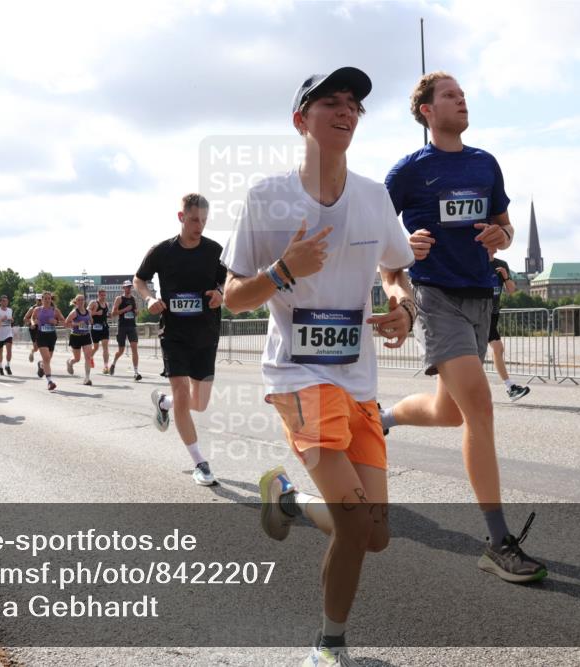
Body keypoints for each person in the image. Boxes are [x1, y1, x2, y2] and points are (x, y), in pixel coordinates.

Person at [222, 67, 416, 665]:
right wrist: (283, 272)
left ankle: (284, 502)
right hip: (299, 378)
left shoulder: (374, 197)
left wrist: (401, 304)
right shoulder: (266, 198)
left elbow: (395, 267)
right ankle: (328, 646)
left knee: (376, 535)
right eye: (330, 101)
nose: (346, 110)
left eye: (354, 103)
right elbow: (230, 297)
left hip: (358, 379)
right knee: (356, 526)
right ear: (300, 119)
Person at [380, 71, 546, 583]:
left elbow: (507, 229)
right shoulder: (408, 172)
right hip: (436, 298)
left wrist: (502, 233)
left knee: (447, 412)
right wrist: (401, 263)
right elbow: (382, 255)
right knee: (480, 406)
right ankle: (497, 542)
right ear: (427, 110)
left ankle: (381, 418)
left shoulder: (485, 162)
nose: (462, 100)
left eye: (463, 94)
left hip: (481, 298)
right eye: (450, 95)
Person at [135, 193, 227, 487]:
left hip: (206, 332)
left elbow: (229, 279)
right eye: (194, 219)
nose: (199, 225)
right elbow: (139, 279)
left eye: (203, 220)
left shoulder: (215, 251)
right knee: (184, 394)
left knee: (198, 403)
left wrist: (221, 293)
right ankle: (200, 462)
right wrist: (149, 298)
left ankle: (165, 403)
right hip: (174, 333)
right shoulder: (162, 251)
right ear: (181, 217)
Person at [489, 258, 530, 401]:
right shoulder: (476, 258)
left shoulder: (502, 264)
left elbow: (511, 290)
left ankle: (510, 387)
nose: (494, 248)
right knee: (496, 348)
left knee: (495, 349)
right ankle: (510, 387)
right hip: (479, 313)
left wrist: (505, 276)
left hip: (493, 313)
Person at [109, 280, 142, 381]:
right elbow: (113, 313)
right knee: (121, 350)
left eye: (130, 287)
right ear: (123, 288)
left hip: (132, 326)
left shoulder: (133, 299)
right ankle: (113, 363)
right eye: (126, 287)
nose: (128, 288)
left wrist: (136, 312)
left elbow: (136, 312)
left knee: (134, 349)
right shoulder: (119, 299)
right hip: (122, 326)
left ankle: (136, 372)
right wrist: (125, 309)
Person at [64, 294, 95, 386]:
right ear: (76, 302)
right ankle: (70, 362)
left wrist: (91, 321)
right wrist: (77, 324)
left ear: (84, 301)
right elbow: (66, 323)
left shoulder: (88, 312)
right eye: (79, 300)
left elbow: (91, 321)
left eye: (82, 300)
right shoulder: (74, 312)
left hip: (86, 335)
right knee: (77, 359)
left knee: (88, 357)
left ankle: (87, 378)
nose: (81, 302)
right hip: (75, 336)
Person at [34, 292, 62, 391]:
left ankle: (41, 365)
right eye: (45, 298)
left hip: (51, 336)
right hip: (41, 336)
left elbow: (63, 321)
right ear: (41, 300)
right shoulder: (37, 310)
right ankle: (50, 381)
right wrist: (34, 323)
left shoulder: (55, 311)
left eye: (48, 298)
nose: (47, 300)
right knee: (46, 358)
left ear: (51, 300)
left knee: (47, 359)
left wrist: (56, 322)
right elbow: (33, 319)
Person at [88, 289, 112, 374]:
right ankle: (90, 357)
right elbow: (87, 313)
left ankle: (106, 366)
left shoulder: (106, 304)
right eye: (101, 295)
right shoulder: (93, 303)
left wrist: (108, 315)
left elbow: (104, 314)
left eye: (104, 295)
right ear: (98, 295)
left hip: (104, 327)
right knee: (96, 347)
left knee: (105, 347)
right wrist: (96, 313)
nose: (103, 297)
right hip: (95, 327)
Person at [0, 295, 15, 375]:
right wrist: (1, 319)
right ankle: (0, 367)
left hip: (8, 333)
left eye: (6, 301)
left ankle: (8, 365)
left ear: (7, 302)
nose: (4, 302)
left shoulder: (10, 310)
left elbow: (12, 320)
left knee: (9, 350)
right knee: (0, 351)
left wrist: (11, 320)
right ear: (0, 302)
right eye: (2, 301)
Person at [23, 297, 42, 364]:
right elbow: (25, 318)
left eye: (41, 300)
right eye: (38, 300)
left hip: (43, 328)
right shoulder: (32, 308)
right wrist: (32, 323)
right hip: (34, 328)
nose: (40, 301)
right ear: (36, 300)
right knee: (36, 347)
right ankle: (32, 351)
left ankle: (44, 360)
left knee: (44, 344)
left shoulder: (45, 308)